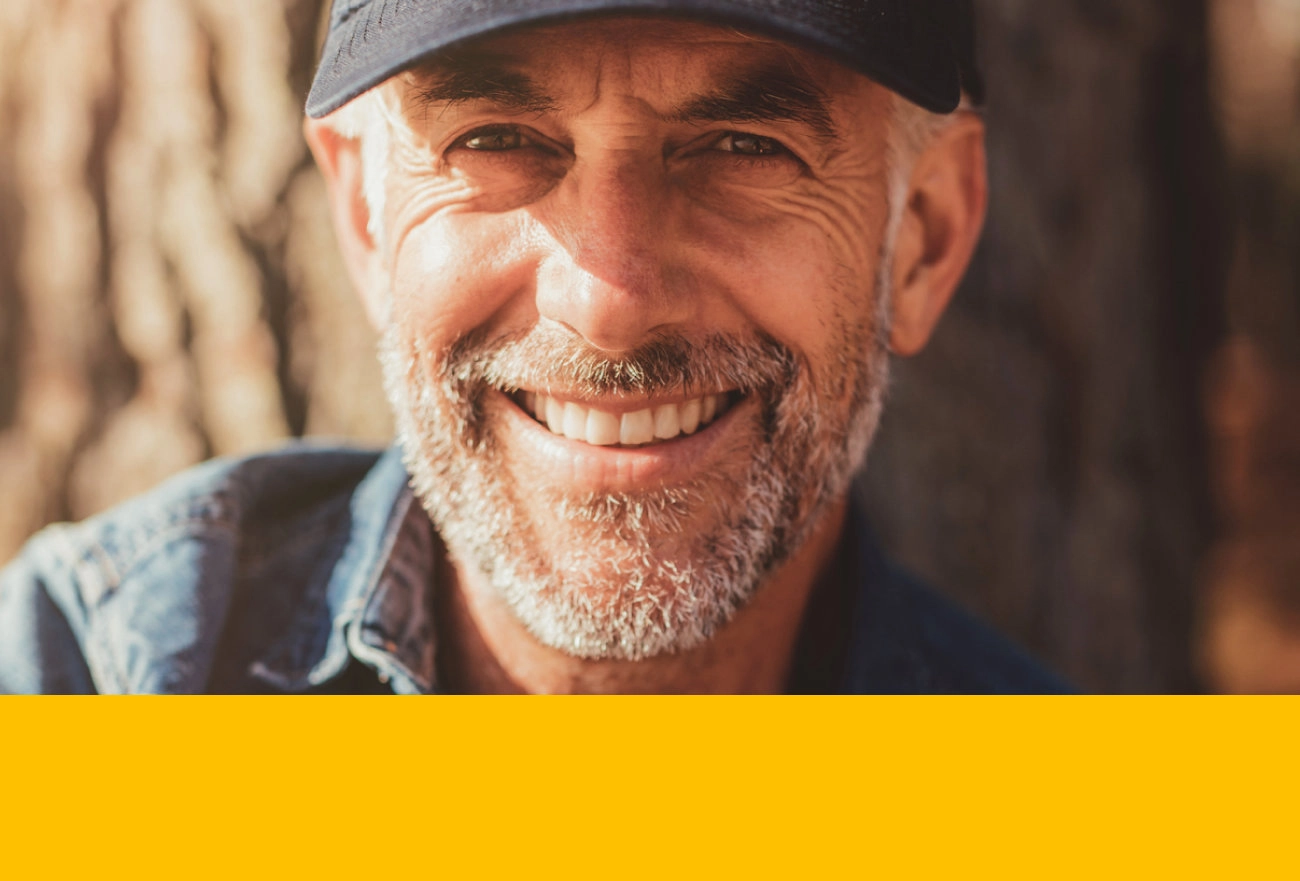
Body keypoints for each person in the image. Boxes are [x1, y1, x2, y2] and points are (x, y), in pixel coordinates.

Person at [0, 0, 1068, 694]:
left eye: (743, 146)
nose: (607, 302)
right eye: (497, 140)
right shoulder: (104, 676)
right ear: (368, 216)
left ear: (919, 241)